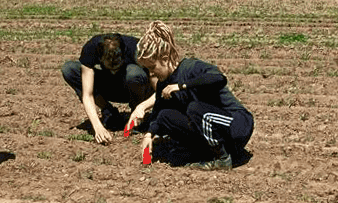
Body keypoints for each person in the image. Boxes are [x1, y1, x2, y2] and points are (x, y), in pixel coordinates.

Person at [126, 22, 253, 170]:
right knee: (165, 116)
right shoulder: (163, 84)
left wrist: (182, 86)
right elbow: (158, 114)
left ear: (165, 58)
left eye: (152, 67)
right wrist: (149, 135)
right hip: (216, 130)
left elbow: (219, 78)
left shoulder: (191, 68)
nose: (150, 73)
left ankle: (222, 159)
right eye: (147, 69)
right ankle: (202, 152)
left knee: (194, 109)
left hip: (237, 126)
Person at [60, 32, 152, 144]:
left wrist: (142, 108)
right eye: (110, 66)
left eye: (117, 66)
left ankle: (136, 117)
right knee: (69, 69)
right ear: (100, 57)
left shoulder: (137, 50)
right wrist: (98, 127)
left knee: (134, 73)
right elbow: (87, 95)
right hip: (109, 86)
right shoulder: (92, 48)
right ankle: (109, 112)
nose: (113, 71)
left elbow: (160, 86)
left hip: (137, 88)